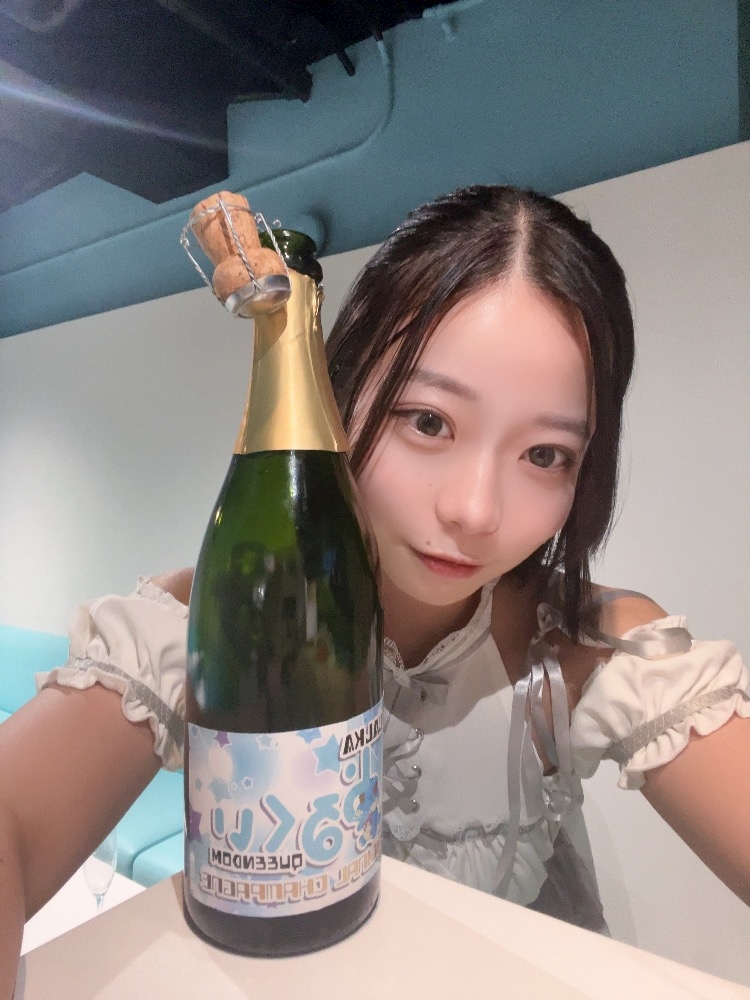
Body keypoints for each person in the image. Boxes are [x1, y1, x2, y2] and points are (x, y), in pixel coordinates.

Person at [1, 185, 748, 994]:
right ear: (338, 395)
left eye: (545, 455)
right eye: (428, 421)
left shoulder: (584, 648)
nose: (475, 511)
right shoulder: (208, 619)